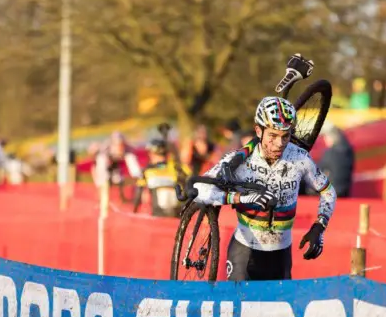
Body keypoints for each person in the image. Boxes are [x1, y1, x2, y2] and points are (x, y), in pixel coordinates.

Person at [194, 96, 337, 281]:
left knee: (279, 311)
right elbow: (199, 188)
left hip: (281, 256)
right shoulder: (241, 160)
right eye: (273, 135)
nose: (279, 143)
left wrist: (320, 226)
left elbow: (328, 191)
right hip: (244, 253)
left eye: (286, 136)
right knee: (241, 309)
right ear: (258, 131)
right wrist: (237, 198)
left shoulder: (300, 158)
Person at [134, 138, 190, 218]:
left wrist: (134, 211)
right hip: (179, 217)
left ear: (153, 153)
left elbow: (138, 195)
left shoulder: (147, 171)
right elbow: (192, 182)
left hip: (157, 217)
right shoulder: (179, 168)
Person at [315, 123, 355, 198]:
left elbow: (317, 172)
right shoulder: (349, 151)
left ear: (331, 137)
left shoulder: (330, 153)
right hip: (345, 194)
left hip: (331, 195)